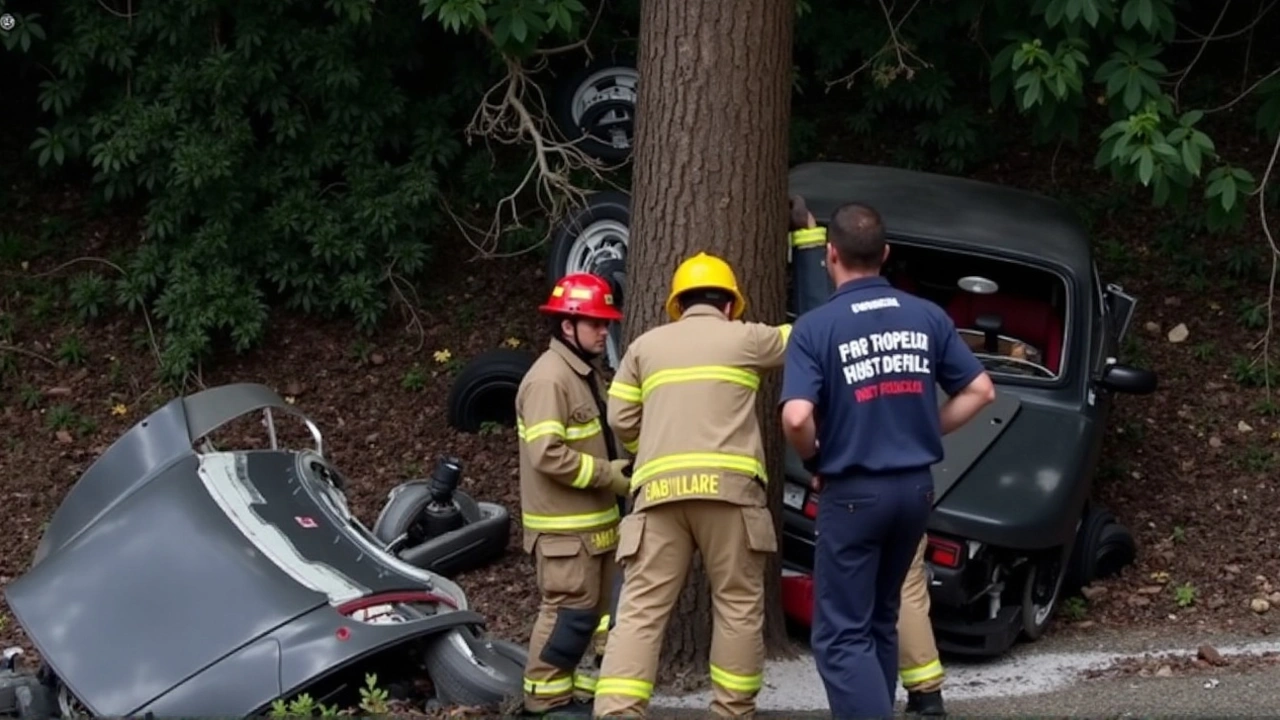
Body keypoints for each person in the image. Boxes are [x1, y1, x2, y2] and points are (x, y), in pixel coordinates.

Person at [778, 203, 995, 719]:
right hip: (915, 491)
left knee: (840, 636)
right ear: (886, 255)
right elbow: (982, 390)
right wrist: (928, 426)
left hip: (853, 493)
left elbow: (795, 417)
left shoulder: (816, 327)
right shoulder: (926, 316)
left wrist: (814, 454)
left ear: (830, 254)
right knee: (879, 618)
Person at [591, 252, 791, 719]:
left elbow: (619, 416)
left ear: (678, 304)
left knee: (640, 612)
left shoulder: (644, 346)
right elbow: (809, 340)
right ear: (729, 305)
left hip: (659, 496)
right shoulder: (747, 338)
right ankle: (731, 711)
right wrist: (808, 240)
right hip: (730, 495)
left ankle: (617, 712)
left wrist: (649, 447)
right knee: (737, 607)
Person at [516, 272, 634, 718]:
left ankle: (575, 696)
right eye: (597, 324)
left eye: (607, 324)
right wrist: (608, 476)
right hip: (565, 534)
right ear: (568, 326)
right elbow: (547, 455)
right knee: (567, 618)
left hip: (592, 529)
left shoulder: (580, 373)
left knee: (590, 620)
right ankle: (542, 703)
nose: (605, 332)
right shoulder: (549, 380)